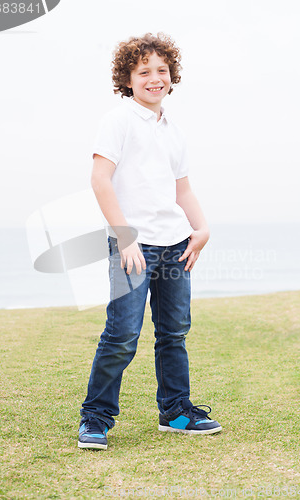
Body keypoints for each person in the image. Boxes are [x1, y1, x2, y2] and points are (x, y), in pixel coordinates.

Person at [78, 32, 222, 450]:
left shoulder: (173, 130)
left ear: (172, 77)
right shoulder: (118, 120)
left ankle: (175, 411)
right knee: (122, 333)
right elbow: (99, 180)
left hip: (176, 245)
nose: (154, 78)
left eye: (162, 71)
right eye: (144, 72)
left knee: (174, 332)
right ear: (128, 78)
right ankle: (96, 418)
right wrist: (124, 238)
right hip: (132, 246)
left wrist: (203, 228)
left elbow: (183, 190)